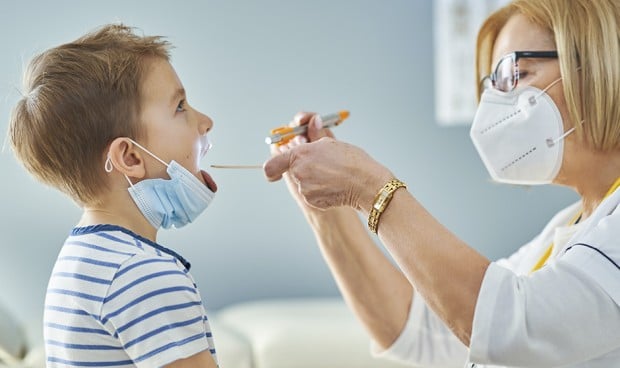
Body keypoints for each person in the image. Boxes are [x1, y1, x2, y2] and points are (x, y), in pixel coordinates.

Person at [263, 0, 620, 367]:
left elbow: (514, 329)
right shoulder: (568, 230)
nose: (497, 101)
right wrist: (329, 210)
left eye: (516, 73)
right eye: (493, 83)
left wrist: (370, 187)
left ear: (597, 67)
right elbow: (423, 332)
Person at [8, 24, 219, 367]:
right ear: (130, 157)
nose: (205, 121)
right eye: (180, 106)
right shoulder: (144, 274)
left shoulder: (79, 258)